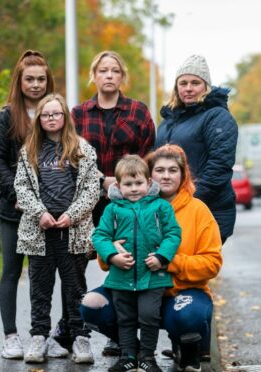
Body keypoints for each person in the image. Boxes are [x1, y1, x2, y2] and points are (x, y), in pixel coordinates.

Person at [81, 144, 223, 372]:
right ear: (150, 175)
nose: (166, 175)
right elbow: (102, 253)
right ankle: (133, 352)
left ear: (182, 174)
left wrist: (169, 261)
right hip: (130, 284)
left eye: (173, 170)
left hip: (178, 291)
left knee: (188, 316)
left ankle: (187, 351)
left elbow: (212, 264)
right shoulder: (118, 208)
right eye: (160, 170)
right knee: (91, 305)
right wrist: (111, 252)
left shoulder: (198, 211)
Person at [65, 50, 157, 355]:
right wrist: (99, 181)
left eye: (114, 70)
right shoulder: (78, 114)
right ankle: (74, 329)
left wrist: (124, 182)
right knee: (78, 263)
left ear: (122, 76)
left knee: (123, 263)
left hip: (128, 203)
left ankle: (121, 334)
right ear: (93, 75)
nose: (108, 75)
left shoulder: (138, 112)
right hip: (88, 204)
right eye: (102, 70)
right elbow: (69, 157)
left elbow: (147, 155)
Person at [0, 49, 68, 360]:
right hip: (14, 212)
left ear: (49, 81)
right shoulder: (7, 116)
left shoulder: (57, 114)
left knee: (45, 276)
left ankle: (47, 335)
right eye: (29, 79)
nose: (36, 84)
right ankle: (10, 337)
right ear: (19, 82)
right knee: (11, 271)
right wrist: (17, 196)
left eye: (41, 79)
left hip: (52, 214)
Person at [14, 94, 99, 364]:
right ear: (39, 119)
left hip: (72, 232)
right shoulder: (29, 151)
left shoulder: (81, 149)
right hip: (39, 232)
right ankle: (39, 337)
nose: (51, 118)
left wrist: (72, 215)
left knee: (75, 288)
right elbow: (22, 187)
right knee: (40, 289)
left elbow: (91, 188)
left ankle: (81, 339)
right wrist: (39, 212)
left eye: (56, 113)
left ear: (65, 117)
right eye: (46, 114)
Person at [92, 154, 181, 372]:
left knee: (149, 316)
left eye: (139, 183)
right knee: (125, 318)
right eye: (128, 184)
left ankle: (148, 357)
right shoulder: (112, 209)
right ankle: (128, 355)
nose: (134, 189)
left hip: (152, 276)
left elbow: (173, 234)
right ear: (118, 186)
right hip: (121, 277)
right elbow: (100, 236)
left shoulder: (160, 207)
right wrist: (112, 256)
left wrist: (161, 257)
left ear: (149, 183)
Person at [155, 55, 238, 243]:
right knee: (170, 267)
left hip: (207, 208)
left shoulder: (217, 117)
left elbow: (220, 166)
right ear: (176, 87)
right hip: (172, 208)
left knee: (195, 268)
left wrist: (189, 201)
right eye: (183, 83)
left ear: (206, 86)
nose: (189, 88)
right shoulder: (168, 120)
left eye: (195, 82)